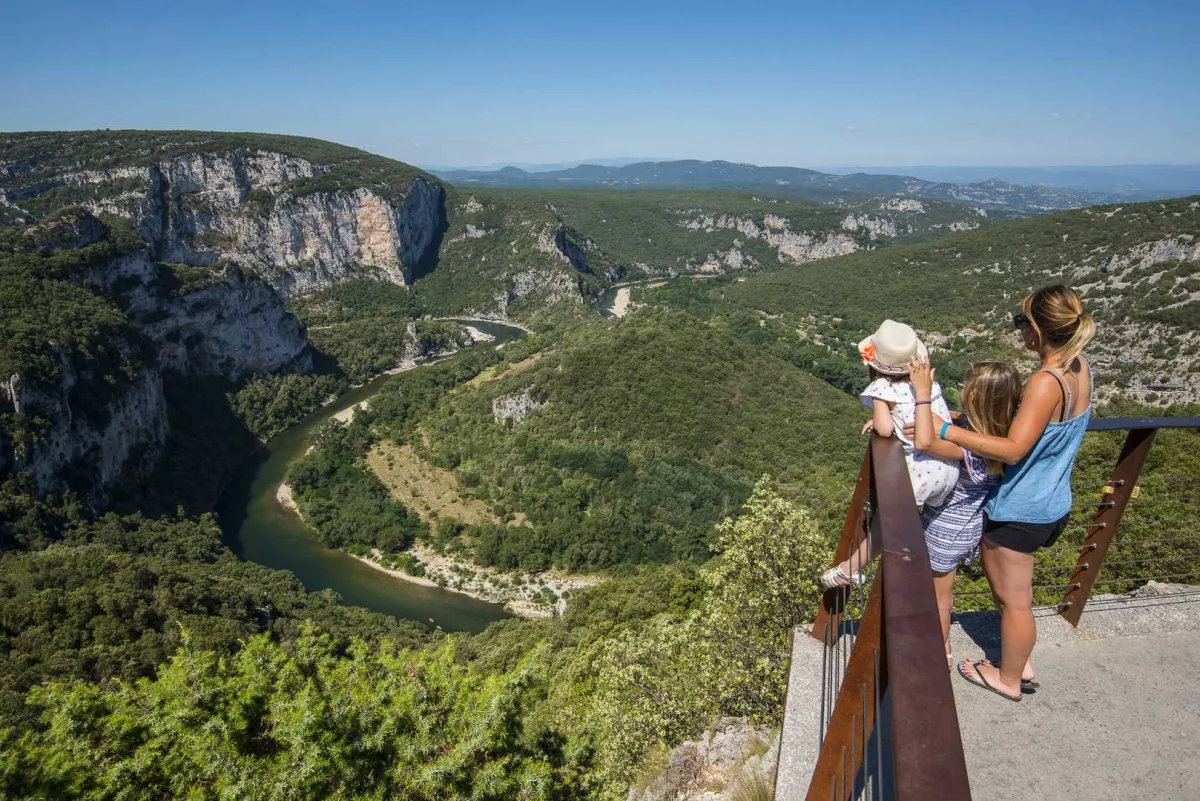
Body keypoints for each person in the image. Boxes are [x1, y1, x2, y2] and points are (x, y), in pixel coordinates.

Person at [940, 285, 1096, 702]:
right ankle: (1016, 658)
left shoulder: (1047, 381)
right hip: (1052, 502)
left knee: (1014, 603)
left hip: (1021, 509)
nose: (1018, 330)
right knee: (1014, 598)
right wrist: (971, 418)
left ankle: (1009, 677)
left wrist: (947, 431)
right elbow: (1035, 429)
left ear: (1038, 330)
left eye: (1020, 322)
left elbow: (1014, 448)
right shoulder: (1079, 367)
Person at [820, 320, 959, 589]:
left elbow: (884, 429)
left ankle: (850, 568)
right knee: (906, 525)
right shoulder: (927, 385)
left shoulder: (882, 388)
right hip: (948, 467)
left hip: (922, 473)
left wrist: (880, 417)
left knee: (884, 521)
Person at [908, 358, 1022, 667]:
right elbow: (958, 425)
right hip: (968, 528)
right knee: (943, 595)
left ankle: (939, 656)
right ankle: (941, 645)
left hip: (945, 530)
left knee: (939, 601)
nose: (960, 389)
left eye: (963, 386)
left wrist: (921, 393)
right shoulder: (997, 436)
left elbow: (925, 441)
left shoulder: (970, 448)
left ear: (974, 396)